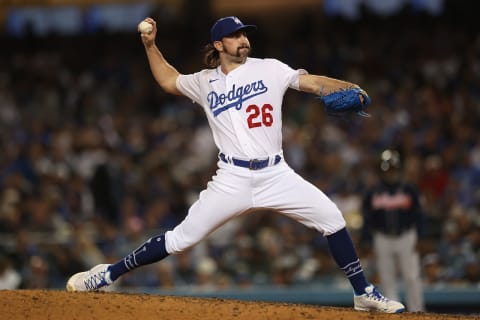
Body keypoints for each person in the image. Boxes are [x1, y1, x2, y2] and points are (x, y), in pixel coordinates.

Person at [66, 16, 405, 313]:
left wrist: (347, 87)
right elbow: (169, 80)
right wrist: (151, 46)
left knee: (332, 218)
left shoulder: (270, 68)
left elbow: (312, 82)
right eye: (236, 35)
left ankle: (363, 293)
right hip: (232, 177)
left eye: (245, 34)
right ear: (219, 43)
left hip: (276, 173)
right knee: (180, 240)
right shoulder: (203, 81)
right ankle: (108, 273)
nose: (244, 39)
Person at [361, 149, 425, 312]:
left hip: (406, 236)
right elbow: (367, 218)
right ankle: (394, 312)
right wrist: (367, 240)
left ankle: (417, 311)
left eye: (393, 169)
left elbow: (419, 215)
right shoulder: (372, 192)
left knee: (411, 277)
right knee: (387, 278)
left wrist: (421, 237)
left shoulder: (409, 189)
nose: (390, 173)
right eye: (387, 169)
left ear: (399, 169)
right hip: (382, 237)